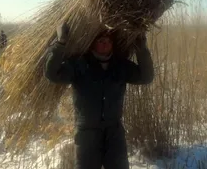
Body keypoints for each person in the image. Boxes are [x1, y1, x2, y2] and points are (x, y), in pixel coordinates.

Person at [44, 22, 154, 169]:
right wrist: (61, 43)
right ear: (92, 44)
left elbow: (146, 77)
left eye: (108, 41)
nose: (105, 44)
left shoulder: (120, 65)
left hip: (114, 132)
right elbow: (52, 74)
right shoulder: (80, 64)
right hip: (87, 133)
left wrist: (141, 48)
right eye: (101, 41)